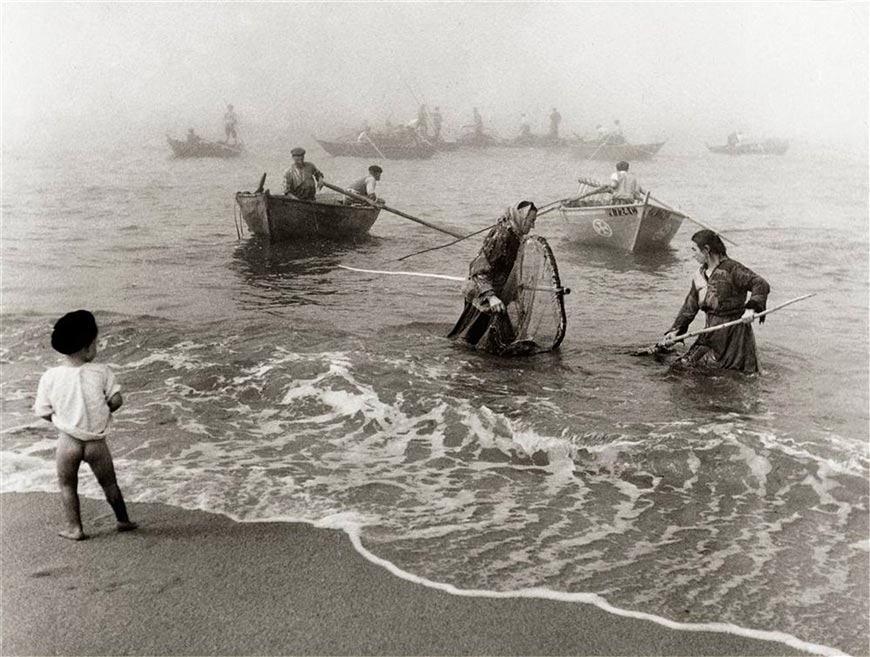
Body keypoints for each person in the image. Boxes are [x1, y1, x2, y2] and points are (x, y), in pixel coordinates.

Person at [33, 310, 137, 540]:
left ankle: (75, 528)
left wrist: (62, 421)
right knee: (110, 484)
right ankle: (123, 520)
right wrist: (104, 410)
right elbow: (116, 400)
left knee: (68, 485)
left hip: (67, 442)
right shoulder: (102, 371)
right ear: (88, 348)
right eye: (95, 343)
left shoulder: (50, 376)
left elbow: (42, 411)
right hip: (96, 443)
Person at [660, 230, 770, 373]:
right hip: (710, 333)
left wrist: (751, 309)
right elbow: (690, 307)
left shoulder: (732, 269)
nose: (693, 254)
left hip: (734, 336)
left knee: (728, 375)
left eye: (694, 250)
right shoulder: (699, 275)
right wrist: (675, 332)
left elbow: (760, 284)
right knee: (680, 368)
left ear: (706, 249)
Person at [448, 201, 538, 356]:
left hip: (496, 296)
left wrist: (515, 295)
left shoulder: (516, 236)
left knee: (491, 343)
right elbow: (479, 268)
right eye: (531, 221)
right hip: (483, 295)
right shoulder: (502, 235)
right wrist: (490, 297)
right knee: (467, 343)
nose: (533, 226)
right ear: (521, 218)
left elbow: (510, 270)